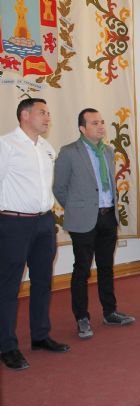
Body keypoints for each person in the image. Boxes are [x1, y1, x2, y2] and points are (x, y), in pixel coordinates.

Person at [53, 108, 136, 339]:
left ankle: (110, 312)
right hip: (84, 220)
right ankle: (82, 317)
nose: (101, 126)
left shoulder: (108, 151)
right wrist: (77, 209)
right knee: (82, 270)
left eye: (102, 122)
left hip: (108, 216)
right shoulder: (69, 152)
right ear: (82, 128)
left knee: (106, 267)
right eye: (94, 123)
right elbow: (59, 188)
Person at [0, 98, 70, 371]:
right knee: (9, 285)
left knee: (42, 281)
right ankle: (7, 345)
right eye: (42, 112)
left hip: (44, 222)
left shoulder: (46, 147)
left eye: (48, 113)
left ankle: (40, 335)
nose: (48, 117)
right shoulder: (6, 145)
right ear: (25, 115)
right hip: (14, 223)